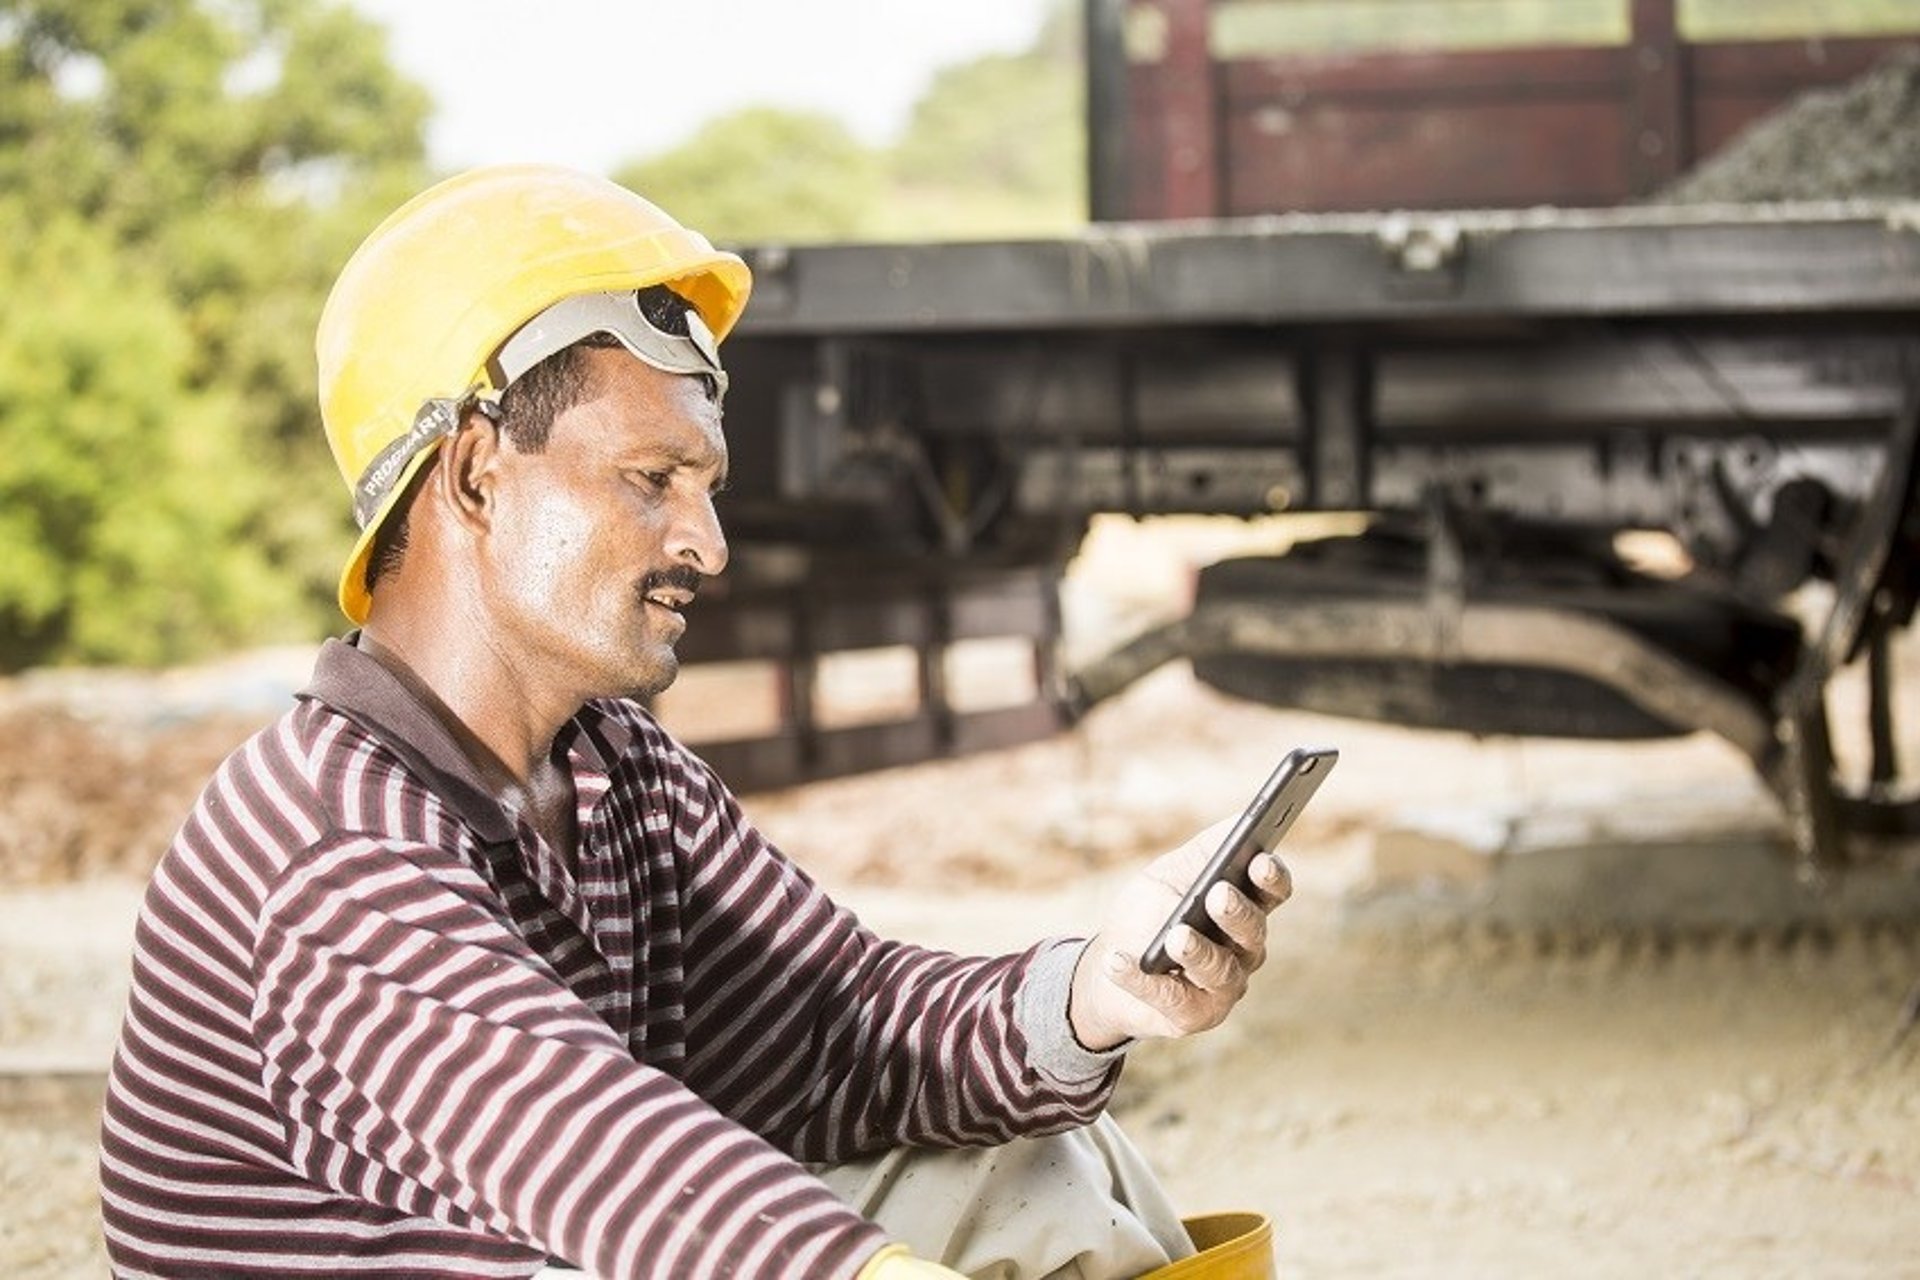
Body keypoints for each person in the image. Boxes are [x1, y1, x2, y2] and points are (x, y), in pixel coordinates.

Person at [98, 165, 1292, 1280]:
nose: (706, 545)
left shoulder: (617, 771)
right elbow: (608, 1157)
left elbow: (839, 1027)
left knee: (1044, 1165)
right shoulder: (330, 843)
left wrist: (1098, 988)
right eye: (650, 479)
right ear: (474, 475)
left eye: (707, 488)